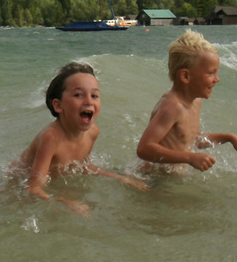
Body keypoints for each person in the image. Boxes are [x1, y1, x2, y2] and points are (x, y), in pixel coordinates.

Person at [15, 61, 149, 215]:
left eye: (94, 95)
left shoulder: (92, 133)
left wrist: (118, 177)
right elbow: (33, 187)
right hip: (15, 182)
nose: (89, 101)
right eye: (78, 95)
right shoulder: (51, 138)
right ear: (58, 106)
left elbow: (82, 166)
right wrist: (65, 202)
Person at [136, 29, 237, 170]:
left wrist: (228, 137)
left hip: (169, 179)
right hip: (153, 179)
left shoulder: (195, 101)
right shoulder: (172, 107)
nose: (217, 79)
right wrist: (190, 158)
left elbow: (189, 138)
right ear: (185, 76)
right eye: (210, 73)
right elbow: (144, 149)